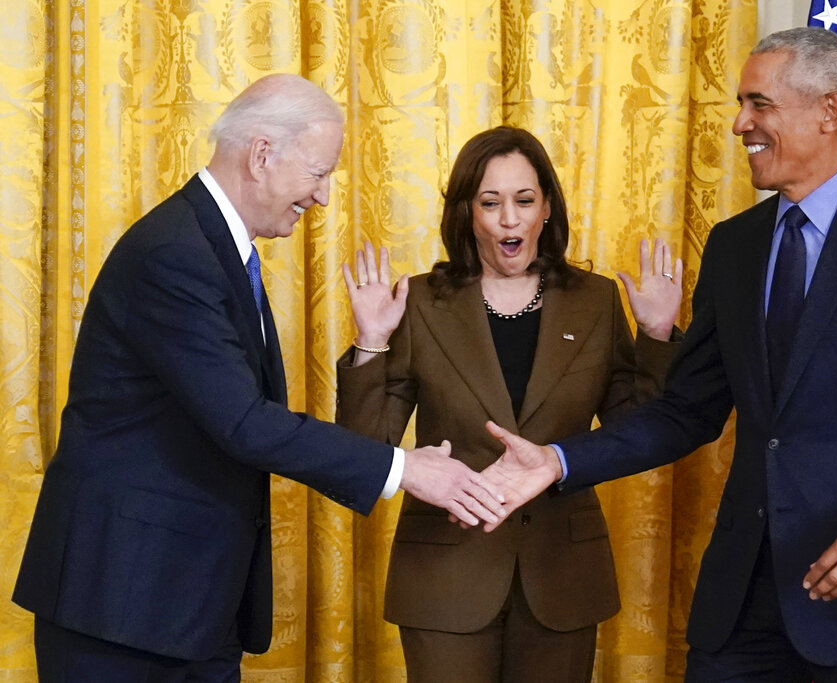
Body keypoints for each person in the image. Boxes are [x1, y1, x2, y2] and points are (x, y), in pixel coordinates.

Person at [477, 28, 837, 683]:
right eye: (738, 104)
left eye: (759, 105)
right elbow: (685, 411)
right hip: (740, 606)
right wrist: (559, 460)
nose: (738, 124)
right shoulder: (735, 247)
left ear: (829, 112)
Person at [12, 74, 505, 683]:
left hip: (189, 604)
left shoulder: (215, 245)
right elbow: (244, 422)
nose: (323, 197)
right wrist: (407, 469)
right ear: (263, 155)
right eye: (319, 173)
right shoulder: (176, 253)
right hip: (122, 606)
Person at [335, 125, 683, 682]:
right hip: (445, 576)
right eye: (490, 202)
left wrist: (658, 335)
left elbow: (635, 434)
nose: (509, 219)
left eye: (524, 200)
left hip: (563, 577)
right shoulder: (420, 301)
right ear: (468, 213)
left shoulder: (594, 301)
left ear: (547, 207)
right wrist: (372, 340)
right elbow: (364, 450)